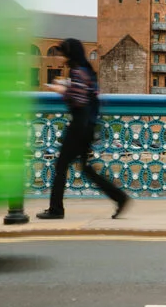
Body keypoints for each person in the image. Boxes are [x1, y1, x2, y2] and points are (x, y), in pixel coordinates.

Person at [37, 38, 130, 220]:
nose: (60, 57)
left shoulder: (77, 72)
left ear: (70, 54)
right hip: (88, 126)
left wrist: (61, 90)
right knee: (86, 168)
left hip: (79, 127)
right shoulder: (87, 71)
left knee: (61, 165)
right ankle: (120, 197)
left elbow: (78, 100)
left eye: (62, 53)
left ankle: (56, 209)